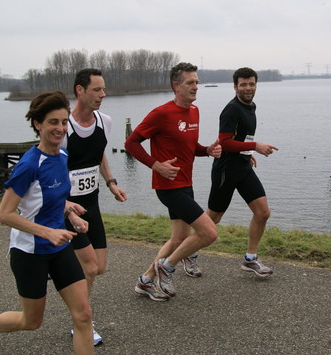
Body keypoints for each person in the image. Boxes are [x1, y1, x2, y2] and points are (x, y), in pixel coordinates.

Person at [0, 91, 94, 355]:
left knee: (83, 315)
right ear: (38, 124)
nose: (60, 128)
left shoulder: (63, 155)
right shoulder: (29, 165)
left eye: (64, 122)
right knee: (31, 321)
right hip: (29, 252)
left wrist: (70, 213)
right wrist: (47, 232)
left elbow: (48, 197)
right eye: (53, 122)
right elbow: (5, 213)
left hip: (59, 247)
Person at [125, 62, 221, 301]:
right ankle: (166, 267)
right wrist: (155, 164)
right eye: (190, 82)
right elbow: (131, 143)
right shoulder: (161, 113)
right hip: (168, 186)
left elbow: (189, 148)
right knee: (209, 233)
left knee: (178, 238)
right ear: (176, 86)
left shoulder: (194, 112)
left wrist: (206, 150)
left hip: (186, 184)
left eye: (197, 82)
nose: (195, 87)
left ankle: (145, 281)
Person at [190, 67, 278, 277]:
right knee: (214, 218)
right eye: (243, 84)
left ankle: (250, 259)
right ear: (235, 86)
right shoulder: (232, 109)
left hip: (243, 166)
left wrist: (248, 151)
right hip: (226, 169)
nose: (248, 88)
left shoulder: (250, 106)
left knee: (263, 212)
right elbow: (225, 142)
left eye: (251, 84)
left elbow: (240, 139)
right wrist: (255, 146)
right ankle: (189, 253)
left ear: (256, 85)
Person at [61, 68, 127, 345]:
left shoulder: (105, 121)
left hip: (92, 203)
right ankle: (81, 323)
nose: (103, 95)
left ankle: (66, 279)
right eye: (97, 90)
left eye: (103, 89)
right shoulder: (64, 126)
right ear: (80, 90)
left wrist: (111, 182)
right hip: (66, 207)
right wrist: (63, 203)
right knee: (88, 268)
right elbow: (52, 166)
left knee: (98, 267)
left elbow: (98, 152)